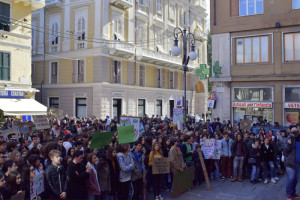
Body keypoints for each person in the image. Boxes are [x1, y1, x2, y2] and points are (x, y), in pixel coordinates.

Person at [284, 128, 300, 200]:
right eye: (294, 131)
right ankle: (288, 194)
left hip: (298, 163)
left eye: (296, 131)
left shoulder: (299, 139)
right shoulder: (288, 139)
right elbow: (285, 151)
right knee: (291, 178)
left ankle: (293, 192)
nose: (295, 133)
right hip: (290, 163)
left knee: (296, 179)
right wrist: (288, 144)